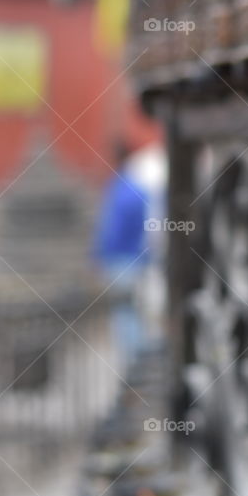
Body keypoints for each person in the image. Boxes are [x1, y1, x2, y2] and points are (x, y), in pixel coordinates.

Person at [92, 142, 148, 363]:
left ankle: (134, 363)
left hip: (120, 260)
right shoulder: (136, 188)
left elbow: (112, 230)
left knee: (124, 315)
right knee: (131, 312)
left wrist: (99, 255)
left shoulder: (120, 189)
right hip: (135, 257)